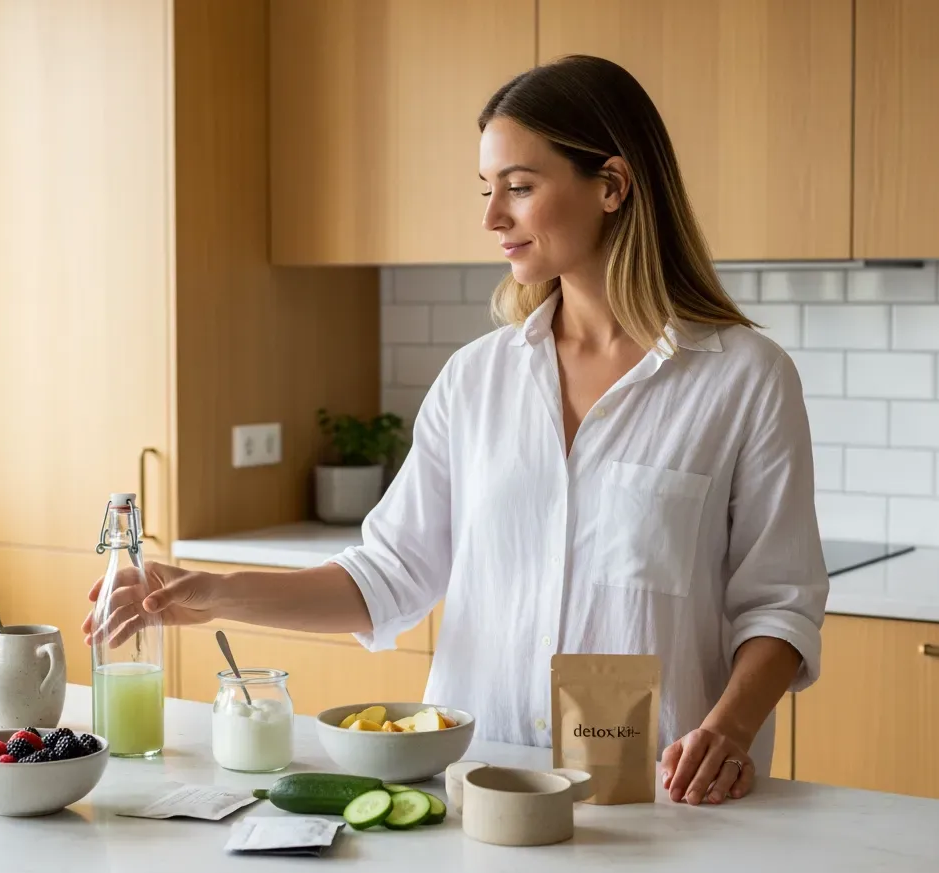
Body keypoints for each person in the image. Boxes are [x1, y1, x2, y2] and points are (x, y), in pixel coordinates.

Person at [82, 55, 828, 807]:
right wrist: (211, 591)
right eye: (487, 189)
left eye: (520, 187)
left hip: (665, 802)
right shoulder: (476, 381)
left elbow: (779, 605)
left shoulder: (744, 379)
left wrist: (728, 731)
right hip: (479, 789)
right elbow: (386, 577)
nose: (492, 217)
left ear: (612, 184)